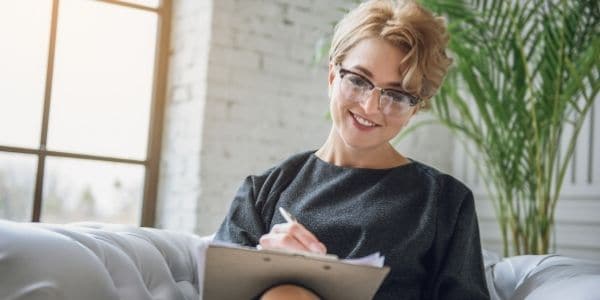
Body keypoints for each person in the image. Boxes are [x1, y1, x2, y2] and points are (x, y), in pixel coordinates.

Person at [214, 0, 490, 299]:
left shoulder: (444, 202)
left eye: (396, 95)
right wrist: (267, 265)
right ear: (332, 75)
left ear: (415, 109)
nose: (370, 107)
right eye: (359, 80)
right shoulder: (263, 192)